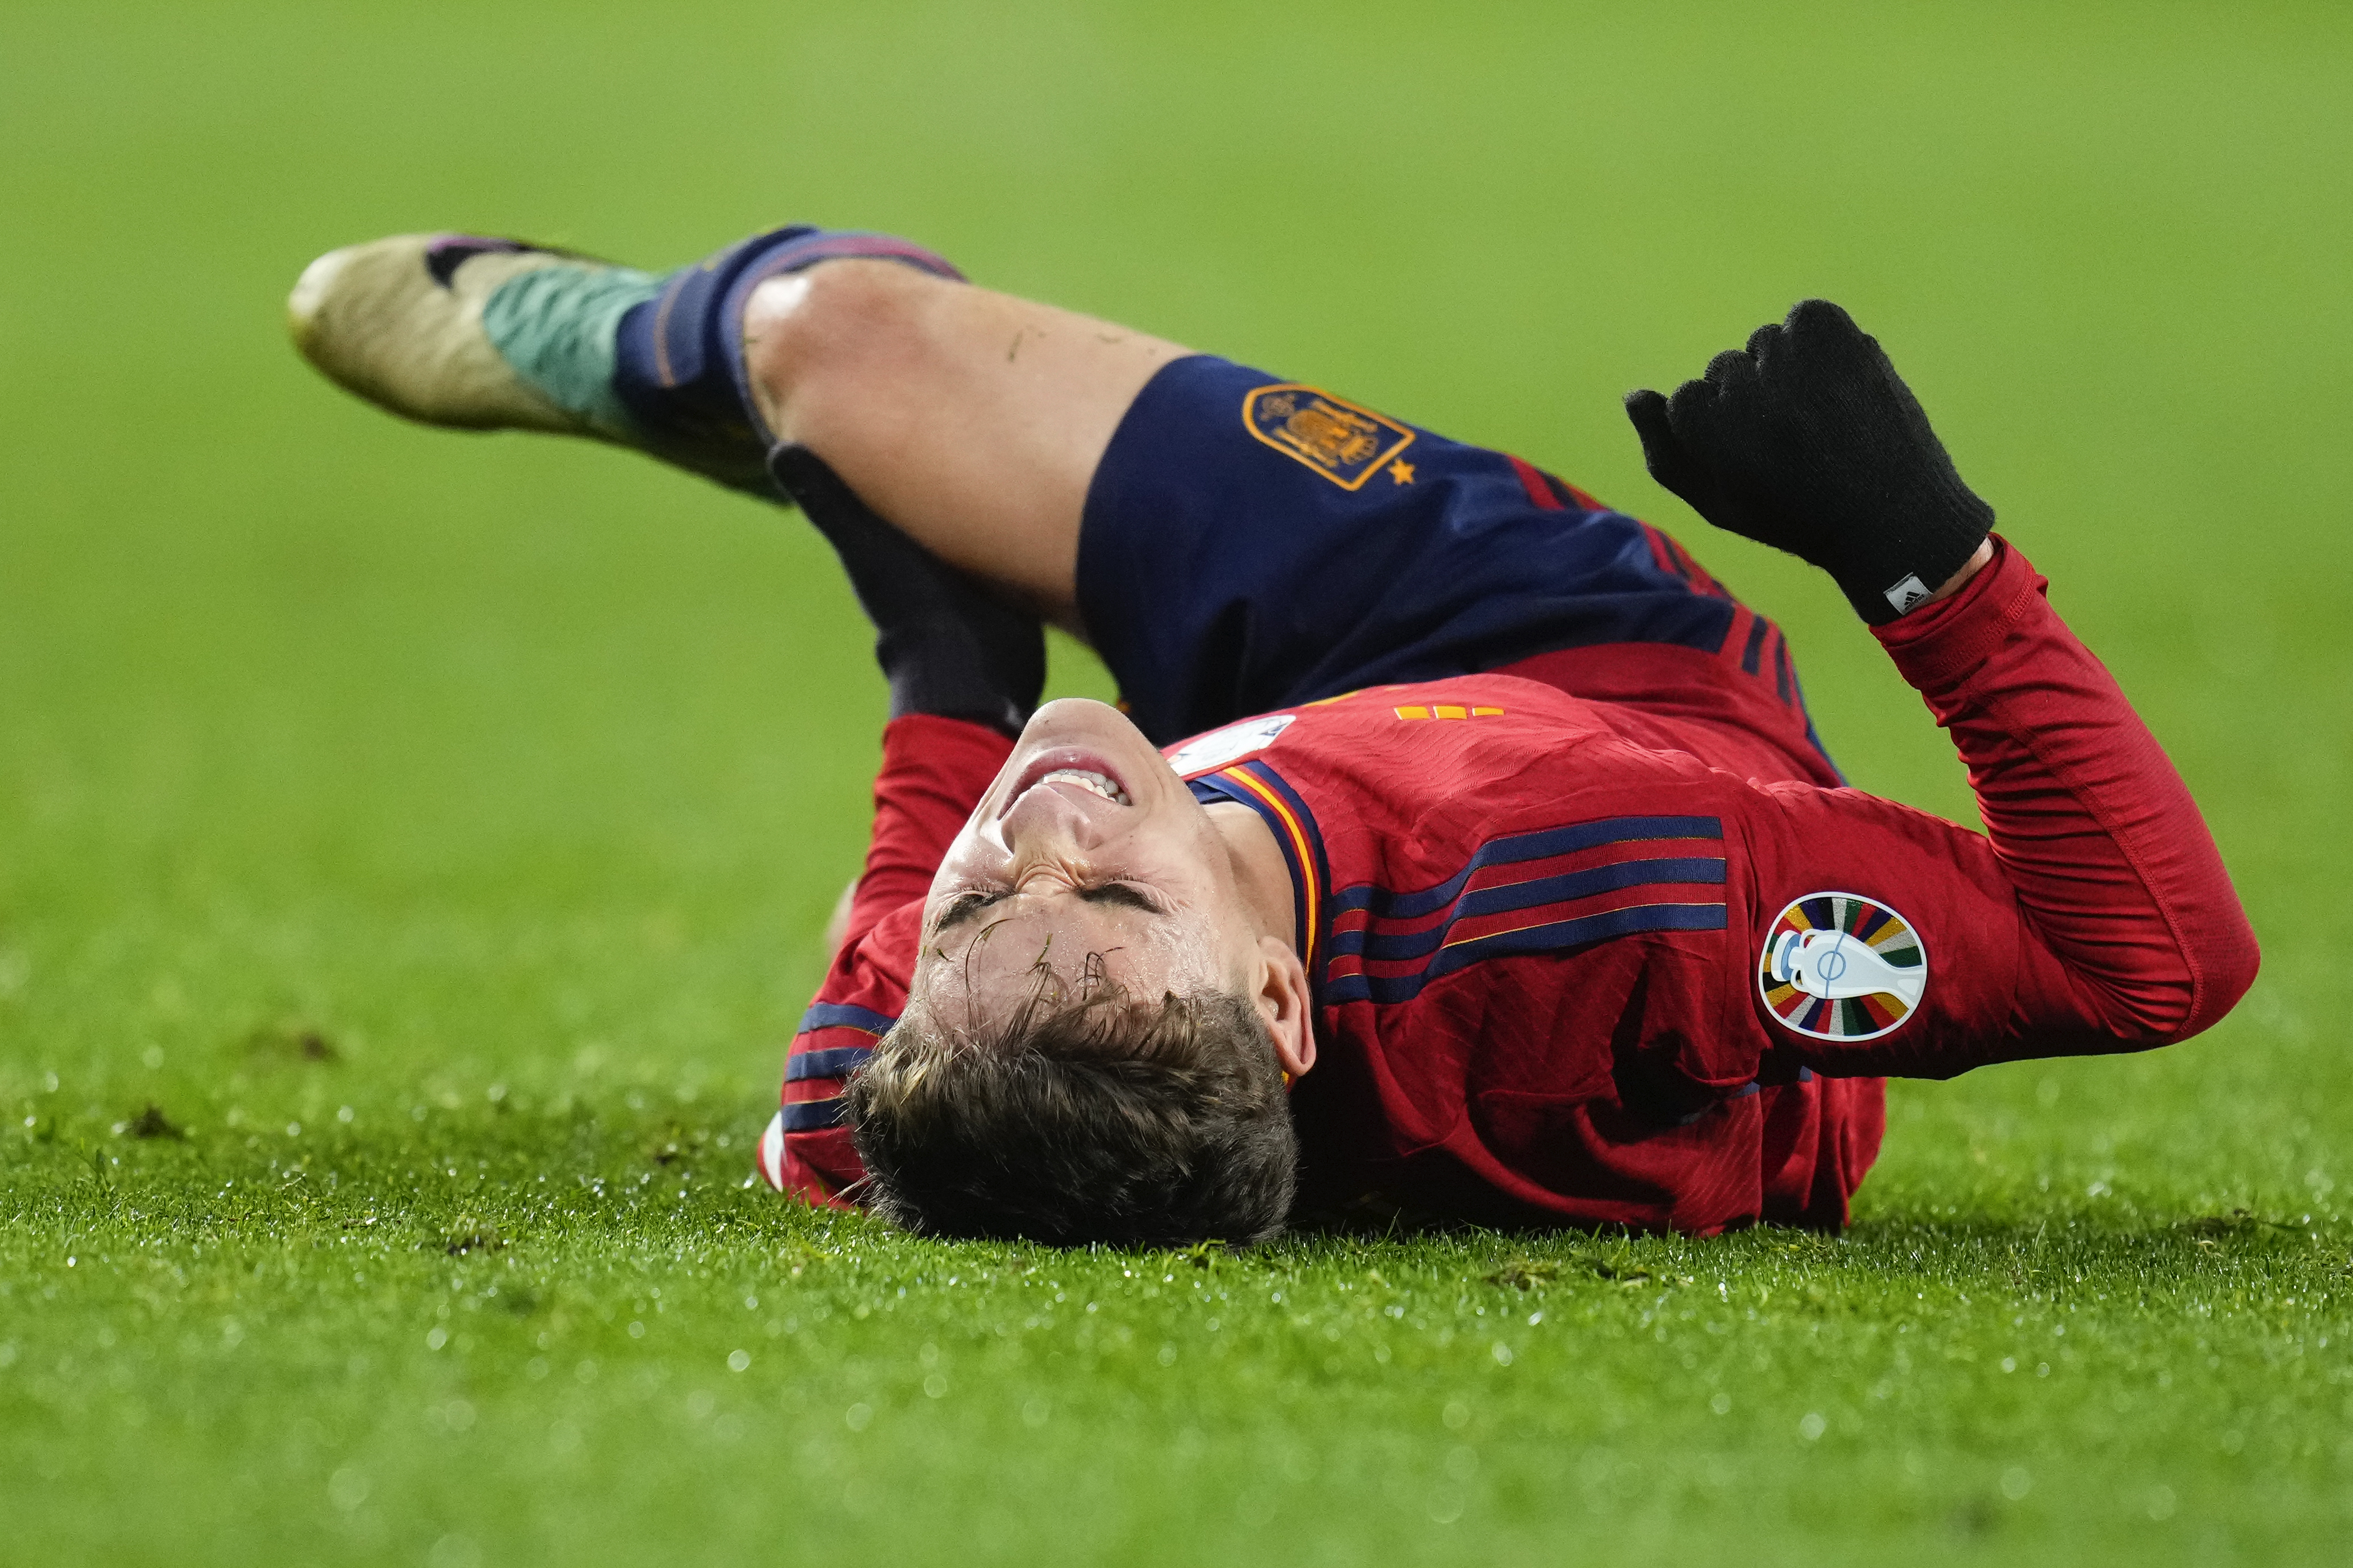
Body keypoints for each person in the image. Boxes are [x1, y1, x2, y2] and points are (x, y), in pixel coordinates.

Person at [288, 225, 2259, 1245]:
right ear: (1283, 1006)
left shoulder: (947, 1070)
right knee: (857, 343)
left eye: (978, 917)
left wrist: (947, 675)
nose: (1034, 834)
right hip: (1573, 666)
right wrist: (1924, 557)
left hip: (1272, 764)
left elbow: (885, 1014)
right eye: (1109, 882)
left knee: (843, 348)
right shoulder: (1630, 896)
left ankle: (690, 356)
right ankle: (795, 375)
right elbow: (2155, 957)